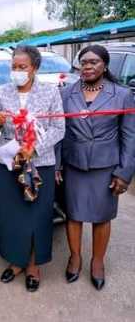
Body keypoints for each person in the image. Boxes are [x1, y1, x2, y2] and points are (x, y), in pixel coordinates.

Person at [0, 46, 65, 292]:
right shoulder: (1, 91)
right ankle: (16, 261)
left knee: (37, 216)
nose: (17, 71)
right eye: (14, 67)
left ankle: (33, 265)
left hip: (39, 164)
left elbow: (58, 128)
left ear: (35, 68)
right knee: (13, 217)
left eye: (23, 67)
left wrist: (34, 148)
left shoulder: (50, 92)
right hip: (11, 164)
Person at [57, 45, 135, 290]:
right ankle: (75, 257)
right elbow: (60, 132)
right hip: (74, 162)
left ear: (105, 65)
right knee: (74, 213)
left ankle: (98, 261)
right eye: (84, 62)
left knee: (102, 216)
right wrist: (58, 164)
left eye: (93, 62)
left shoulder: (121, 95)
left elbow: (130, 136)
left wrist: (124, 172)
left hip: (105, 164)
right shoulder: (66, 93)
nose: (88, 66)